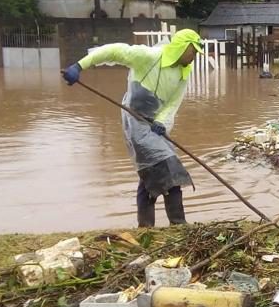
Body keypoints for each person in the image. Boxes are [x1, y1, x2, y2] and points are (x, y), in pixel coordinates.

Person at [62, 29, 203, 227]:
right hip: (134, 119)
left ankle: (146, 227)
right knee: (169, 166)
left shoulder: (182, 74)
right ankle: (178, 224)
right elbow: (114, 51)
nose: (194, 56)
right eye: (193, 51)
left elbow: (172, 104)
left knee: (151, 172)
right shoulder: (149, 57)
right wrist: (80, 65)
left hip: (154, 125)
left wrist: (162, 123)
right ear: (183, 47)